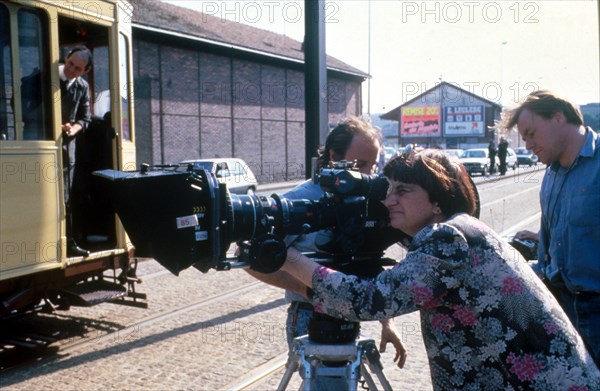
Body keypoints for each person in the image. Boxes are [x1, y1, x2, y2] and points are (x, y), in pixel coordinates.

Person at [279, 148, 600, 390]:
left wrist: (285, 258)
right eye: (388, 190)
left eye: (402, 191)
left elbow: (369, 301)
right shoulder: (464, 230)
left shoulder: (447, 238)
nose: (388, 200)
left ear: (438, 201)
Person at [246, 117, 408, 375]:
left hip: (354, 316)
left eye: (373, 166)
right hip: (310, 318)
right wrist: (308, 290)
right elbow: (253, 261)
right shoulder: (299, 201)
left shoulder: (374, 199)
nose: (367, 175)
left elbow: (369, 262)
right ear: (334, 156)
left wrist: (386, 322)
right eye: (361, 165)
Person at [505, 90, 600, 367]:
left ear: (558, 118)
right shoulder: (551, 174)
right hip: (563, 307)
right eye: (524, 138)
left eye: (532, 133)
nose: (528, 145)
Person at [60, 47, 93, 257]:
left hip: (66, 148)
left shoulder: (82, 87)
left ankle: (68, 244)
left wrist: (75, 128)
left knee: (65, 197)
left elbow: (85, 118)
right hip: (41, 144)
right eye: (70, 63)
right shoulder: (43, 75)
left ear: (85, 71)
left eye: (77, 68)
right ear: (66, 58)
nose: (71, 69)